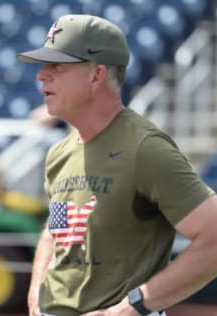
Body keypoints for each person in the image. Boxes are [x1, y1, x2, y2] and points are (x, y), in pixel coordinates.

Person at [17, 14, 217, 316]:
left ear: (96, 76)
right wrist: (36, 296)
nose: (41, 75)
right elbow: (56, 230)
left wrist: (133, 307)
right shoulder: (60, 153)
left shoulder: (144, 148)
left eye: (57, 66)